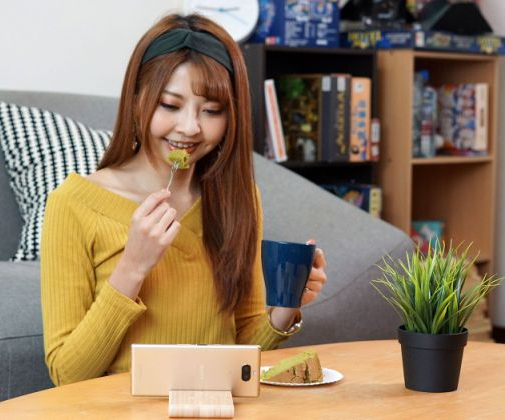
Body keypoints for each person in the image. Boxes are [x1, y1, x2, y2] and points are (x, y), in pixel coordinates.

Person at [40, 13, 327, 387]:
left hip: (218, 406)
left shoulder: (238, 200)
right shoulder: (73, 204)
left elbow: (244, 350)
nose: (190, 127)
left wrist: (287, 308)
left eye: (211, 111)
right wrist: (133, 267)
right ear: (137, 100)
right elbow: (67, 375)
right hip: (122, 410)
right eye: (170, 105)